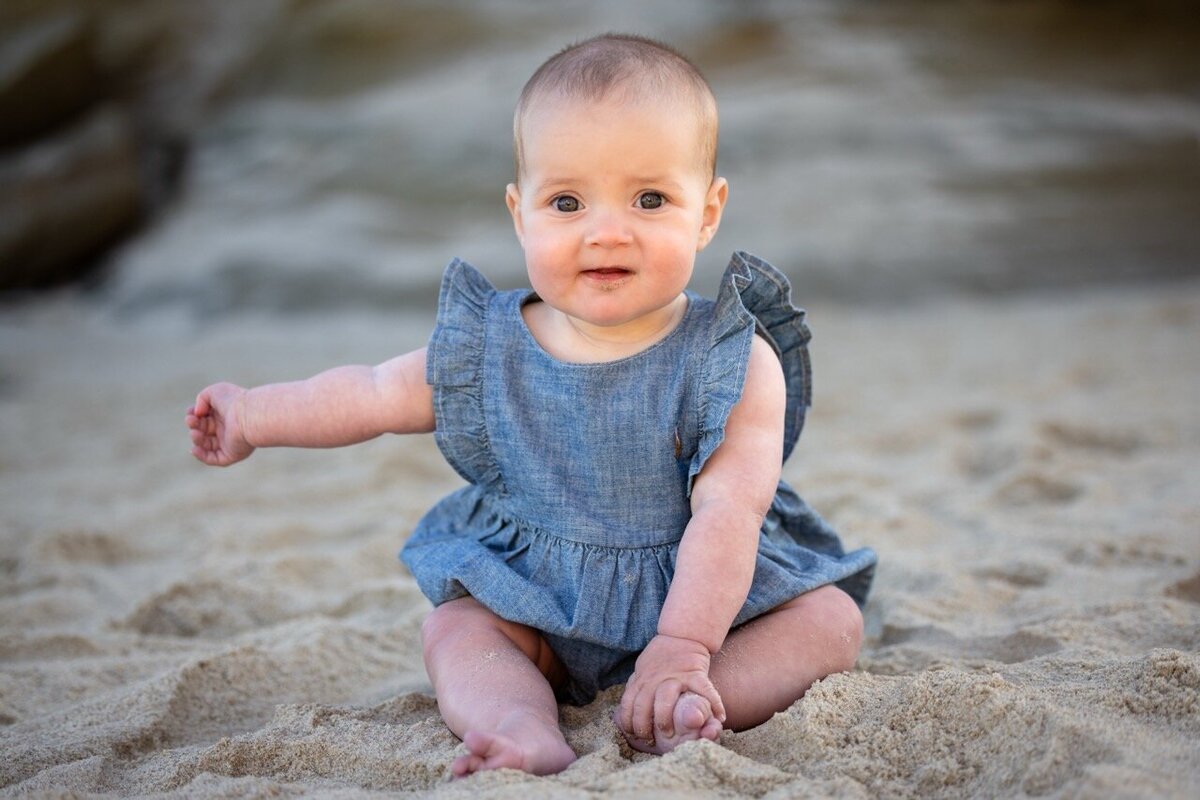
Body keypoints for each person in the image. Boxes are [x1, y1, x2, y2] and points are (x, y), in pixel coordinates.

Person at [187, 33, 876, 778]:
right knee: (458, 629)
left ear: (707, 212)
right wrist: (254, 415)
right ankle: (519, 725)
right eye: (567, 201)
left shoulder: (734, 360)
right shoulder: (488, 353)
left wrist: (683, 646)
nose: (606, 230)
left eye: (650, 199)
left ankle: (682, 699)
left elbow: (729, 513)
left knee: (831, 622)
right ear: (520, 215)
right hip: (537, 601)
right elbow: (372, 393)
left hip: (710, 604)